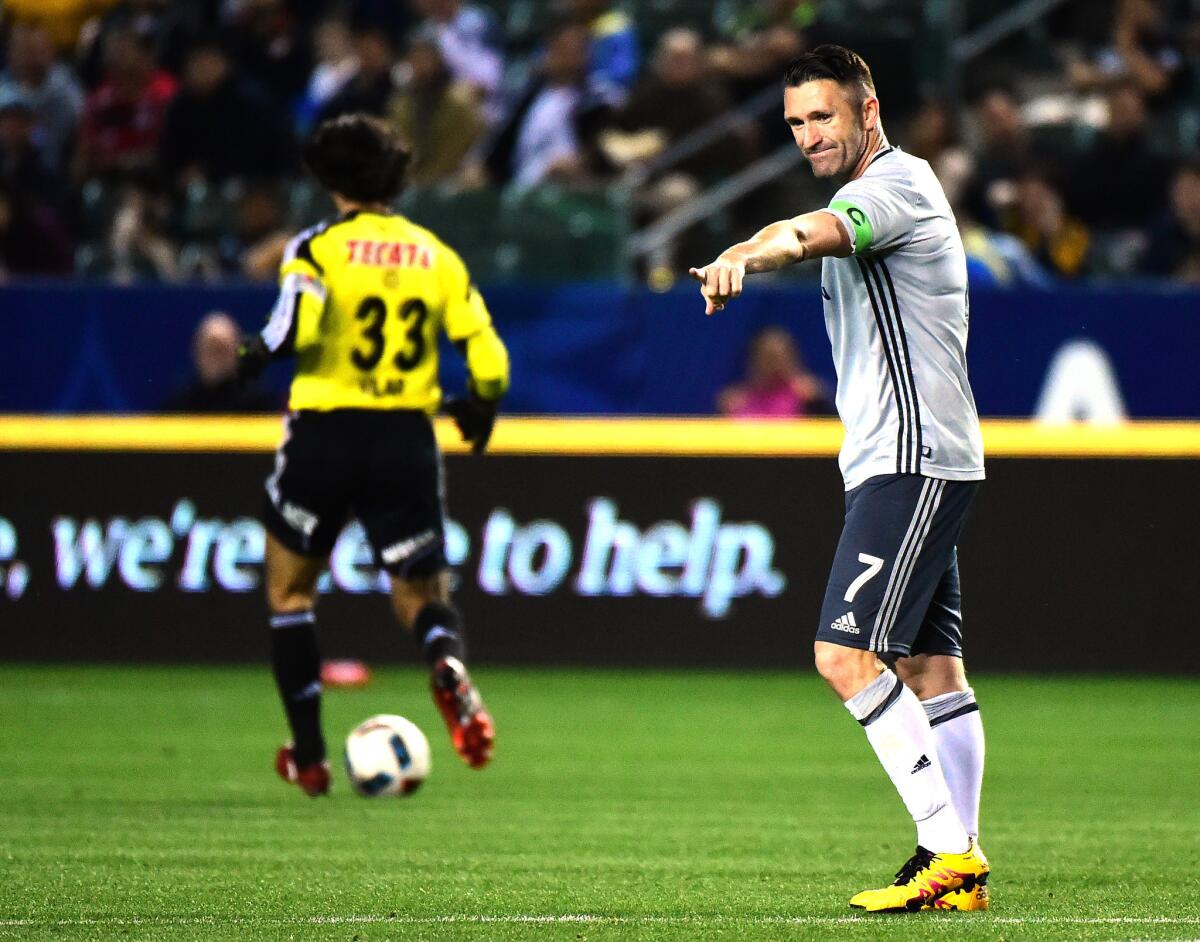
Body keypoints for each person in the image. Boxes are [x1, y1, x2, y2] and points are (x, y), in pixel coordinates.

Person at [689, 45, 989, 912]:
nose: (809, 134)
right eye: (795, 123)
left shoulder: (889, 188)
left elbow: (804, 233)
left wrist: (755, 253)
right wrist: (743, 248)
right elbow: (786, 227)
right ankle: (961, 866)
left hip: (912, 457)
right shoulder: (869, 189)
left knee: (844, 655)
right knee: (933, 667)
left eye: (823, 116)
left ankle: (948, 852)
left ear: (868, 110)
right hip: (910, 457)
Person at [237, 113, 509, 796]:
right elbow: (490, 360)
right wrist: (478, 406)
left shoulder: (316, 247)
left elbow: (292, 326)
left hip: (327, 432)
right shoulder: (434, 253)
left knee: (290, 591)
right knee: (420, 593)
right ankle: (444, 661)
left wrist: (251, 354)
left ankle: (309, 755)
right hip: (404, 440)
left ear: (327, 178)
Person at [163, 312, 280, 412]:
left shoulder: (259, 406)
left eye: (221, 350)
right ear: (196, 352)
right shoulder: (180, 407)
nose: (215, 359)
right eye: (210, 350)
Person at [717, 327, 831, 418]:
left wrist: (816, 401)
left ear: (792, 358)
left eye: (780, 357)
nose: (775, 365)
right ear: (754, 359)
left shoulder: (809, 397)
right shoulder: (735, 403)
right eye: (769, 357)